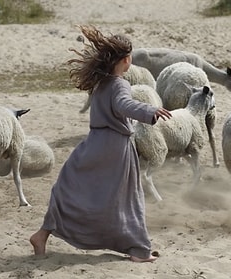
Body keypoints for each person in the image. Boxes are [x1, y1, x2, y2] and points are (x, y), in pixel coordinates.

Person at [29, 25, 172, 262]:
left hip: (92, 144)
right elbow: (125, 105)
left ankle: (42, 234)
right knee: (128, 198)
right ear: (127, 60)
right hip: (115, 148)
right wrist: (151, 110)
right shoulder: (119, 85)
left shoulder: (100, 83)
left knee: (66, 190)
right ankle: (138, 250)